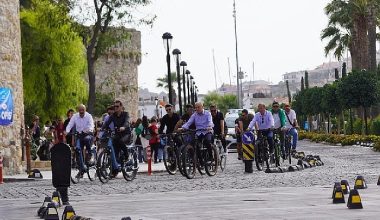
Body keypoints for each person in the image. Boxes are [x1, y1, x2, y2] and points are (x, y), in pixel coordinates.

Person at [65, 104, 95, 169]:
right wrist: (67, 131)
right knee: (77, 149)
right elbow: (70, 124)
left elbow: (91, 125)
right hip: (79, 135)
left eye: (83, 110)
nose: (81, 111)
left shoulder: (89, 116)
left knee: (86, 139)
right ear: (78, 110)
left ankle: (89, 153)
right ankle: (81, 168)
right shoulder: (75, 116)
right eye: (80, 110)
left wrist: (88, 130)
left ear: (85, 110)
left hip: (88, 134)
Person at [102, 100, 132, 165]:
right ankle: (115, 166)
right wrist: (102, 128)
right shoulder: (113, 115)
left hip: (126, 134)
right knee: (113, 145)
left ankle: (127, 156)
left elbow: (127, 122)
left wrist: (123, 127)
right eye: (114, 106)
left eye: (117, 106)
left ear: (121, 107)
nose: (115, 108)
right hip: (117, 134)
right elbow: (107, 123)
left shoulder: (125, 114)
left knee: (121, 141)